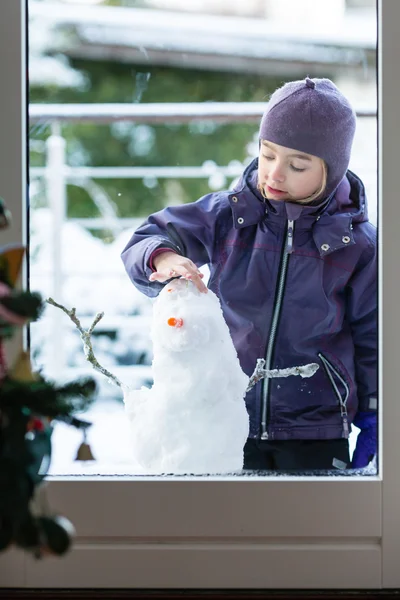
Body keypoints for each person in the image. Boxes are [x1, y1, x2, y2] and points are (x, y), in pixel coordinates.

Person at [121, 77, 377, 472]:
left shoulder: (357, 244)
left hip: (315, 425)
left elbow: (375, 336)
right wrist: (163, 258)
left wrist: (377, 412)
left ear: (332, 169)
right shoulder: (230, 216)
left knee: (306, 530)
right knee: (226, 527)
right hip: (223, 414)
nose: (274, 174)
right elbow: (147, 237)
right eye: (267, 154)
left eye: (296, 165)